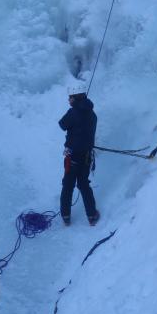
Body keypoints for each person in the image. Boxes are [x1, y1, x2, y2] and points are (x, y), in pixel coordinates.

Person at [58, 84, 100, 226]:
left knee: (68, 185)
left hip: (73, 157)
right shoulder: (92, 114)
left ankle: (65, 215)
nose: (68, 100)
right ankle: (92, 215)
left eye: (70, 97)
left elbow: (62, 124)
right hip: (87, 156)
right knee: (83, 185)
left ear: (76, 97)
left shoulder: (73, 113)